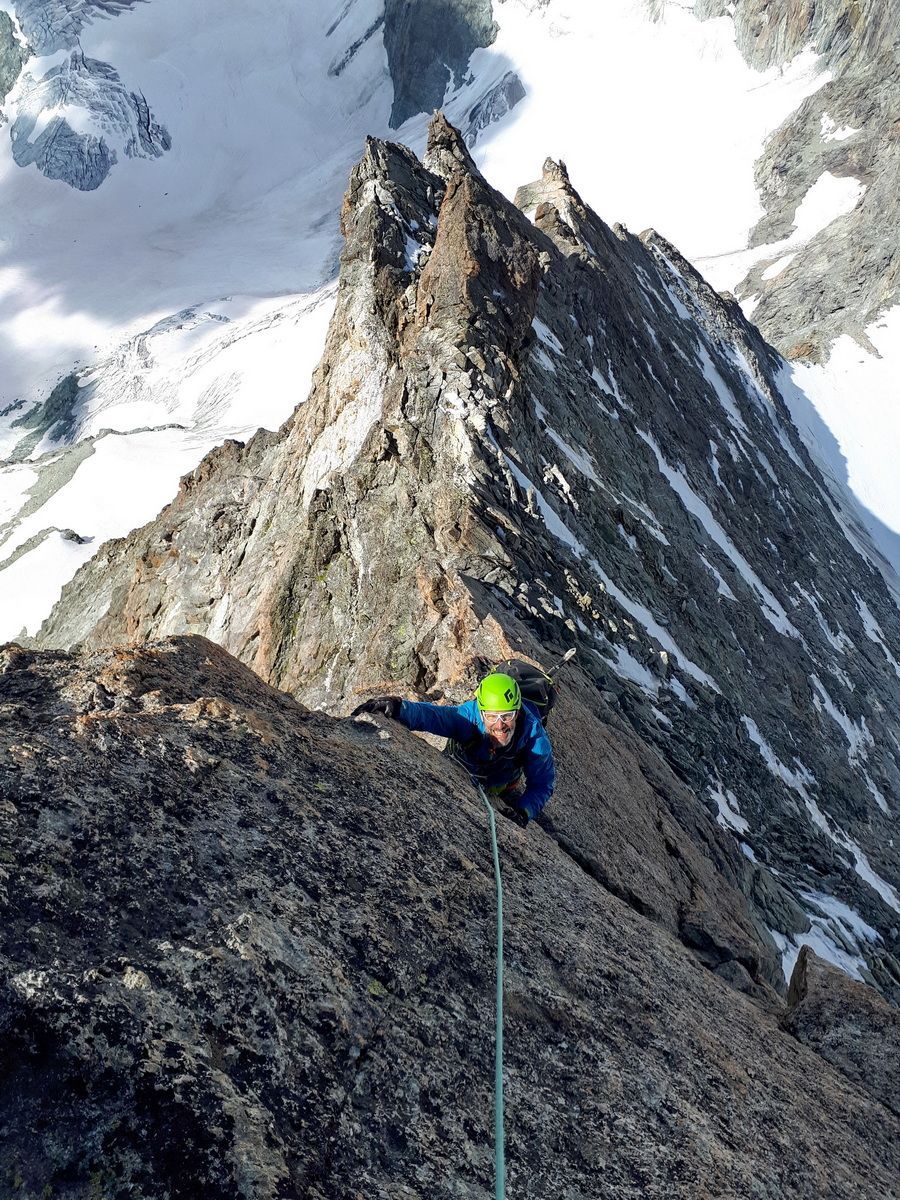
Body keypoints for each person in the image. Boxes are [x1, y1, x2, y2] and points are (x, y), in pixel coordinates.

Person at [352, 672, 555, 827]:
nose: (500, 725)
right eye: (492, 716)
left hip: (498, 786)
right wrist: (398, 708)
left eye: (507, 716)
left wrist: (523, 811)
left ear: (518, 711)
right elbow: (434, 717)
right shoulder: (468, 717)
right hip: (459, 766)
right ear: (481, 711)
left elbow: (542, 784)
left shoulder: (534, 738)